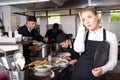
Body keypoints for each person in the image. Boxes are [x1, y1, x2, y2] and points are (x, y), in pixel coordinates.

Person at [71, 6, 118, 80]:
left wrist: (103, 69)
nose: (87, 22)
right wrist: (81, 27)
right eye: (83, 19)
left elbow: (113, 60)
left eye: (89, 17)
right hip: (79, 72)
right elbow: (78, 49)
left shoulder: (111, 36)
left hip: (96, 75)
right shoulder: (83, 34)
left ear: (97, 17)